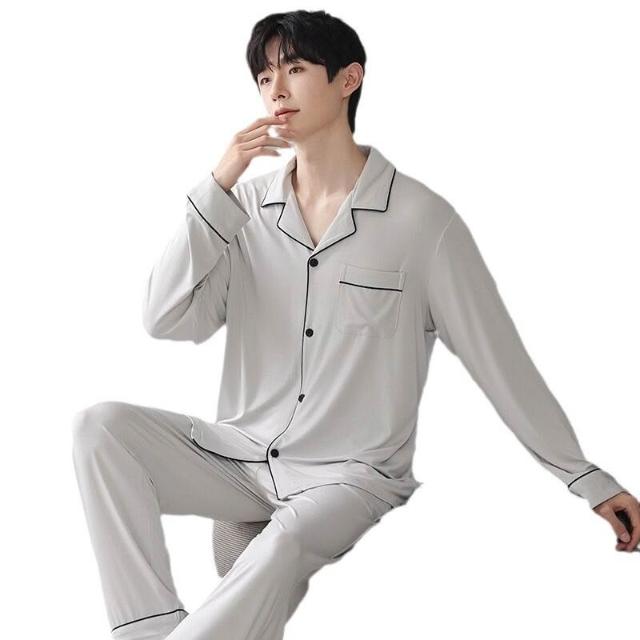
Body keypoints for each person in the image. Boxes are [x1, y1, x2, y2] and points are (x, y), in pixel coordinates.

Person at [71, 9, 639, 640]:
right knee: (100, 428)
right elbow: (164, 317)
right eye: (264, 77)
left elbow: (500, 361)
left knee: (283, 541)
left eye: (294, 68)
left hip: (348, 475)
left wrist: (586, 478)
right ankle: (148, 629)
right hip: (244, 455)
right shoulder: (242, 209)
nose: (276, 89)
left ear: (349, 79)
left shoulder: (422, 222)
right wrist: (218, 183)